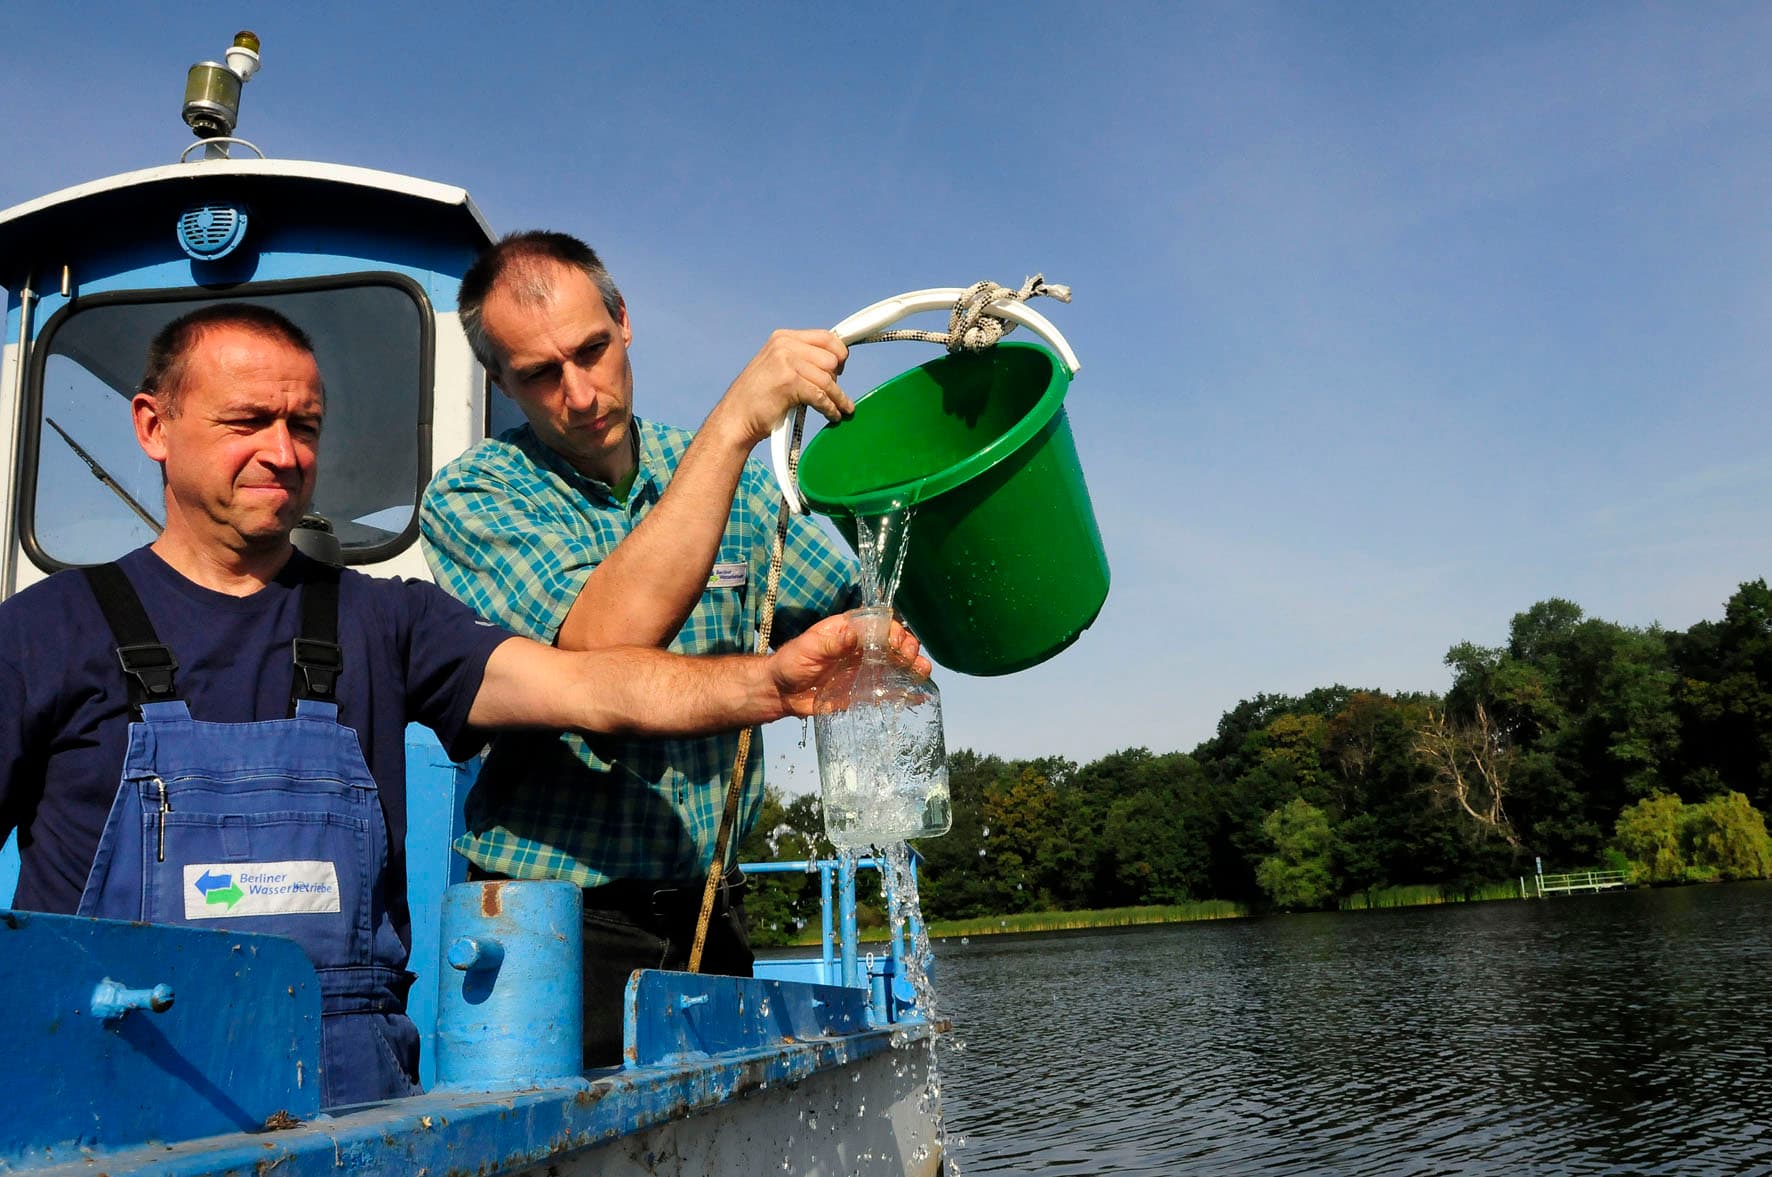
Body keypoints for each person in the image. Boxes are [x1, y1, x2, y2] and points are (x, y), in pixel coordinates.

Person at [0, 303, 922, 1107]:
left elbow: (587, 683)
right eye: (248, 420)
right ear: (153, 426)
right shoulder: (42, 636)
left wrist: (771, 684)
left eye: (305, 425)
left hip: (353, 1106)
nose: (283, 453)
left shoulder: (382, 621)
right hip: (106, 1104)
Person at [418, 231, 862, 1064]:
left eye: (591, 350)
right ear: (499, 382)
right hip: (555, 929)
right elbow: (600, 649)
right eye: (540, 375)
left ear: (623, 322)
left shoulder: (732, 485)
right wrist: (734, 421)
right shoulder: (475, 494)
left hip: (710, 910)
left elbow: (859, 608)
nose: (580, 394)